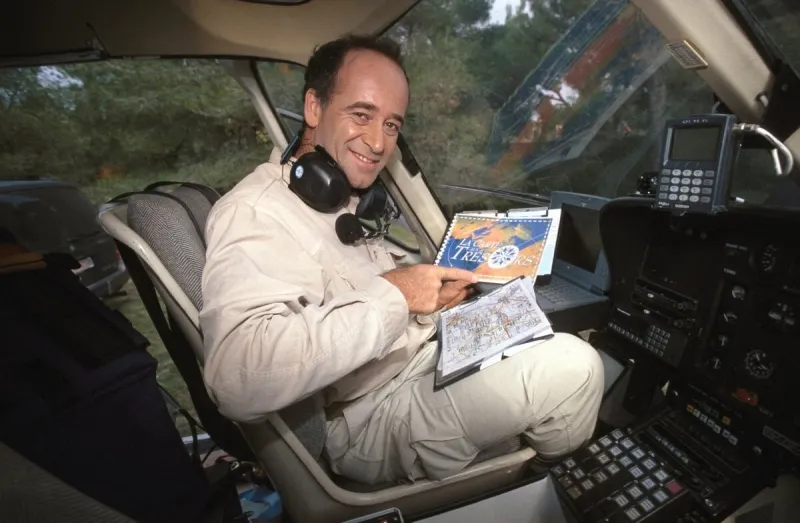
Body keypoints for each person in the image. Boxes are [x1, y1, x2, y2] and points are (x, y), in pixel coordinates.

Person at [200, 35, 604, 485]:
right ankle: (532, 485)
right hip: (366, 418)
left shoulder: (333, 197)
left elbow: (350, 300)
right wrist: (397, 294)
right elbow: (236, 379)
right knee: (576, 367)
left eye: (391, 125)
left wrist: (428, 304)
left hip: (417, 361)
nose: (377, 143)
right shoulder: (254, 212)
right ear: (314, 108)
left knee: (535, 321)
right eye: (361, 115)